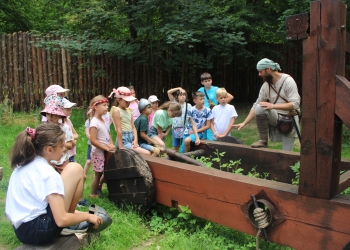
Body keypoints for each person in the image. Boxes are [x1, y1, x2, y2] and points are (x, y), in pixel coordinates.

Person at [5, 123, 103, 245]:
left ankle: (71, 217)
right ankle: (69, 224)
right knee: (75, 169)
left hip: (21, 231)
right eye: (62, 146)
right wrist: (87, 216)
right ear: (49, 150)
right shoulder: (48, 173)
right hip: (40, 230)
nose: (64, 149)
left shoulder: (23, 165)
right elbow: (61, 219)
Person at [233, 58, 301, 151]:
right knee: (259, 107)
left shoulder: (288, 81)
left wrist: (273, 106)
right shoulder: (266, 85)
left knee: (287, 153)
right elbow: (256, 105)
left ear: (268, 69)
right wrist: (244, 123)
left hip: (289, 119)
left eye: (260, 72)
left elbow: (295, 104)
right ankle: (263, 141)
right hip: (276, 117)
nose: (259, 74)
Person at [109, 87, 149, 155]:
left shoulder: (129, 111)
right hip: (123, 140)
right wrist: (121, 146)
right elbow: (119, 130)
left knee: (146, 153)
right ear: (119, 100)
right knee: (147, 153)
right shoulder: (116, 111)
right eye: (126, 101)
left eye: (129, 101)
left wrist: (135, 140)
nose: (128, 103)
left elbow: (133, 127)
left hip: (132, 138)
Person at [89, 95, 115, 198]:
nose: (107, 107)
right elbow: (93, 140)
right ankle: (93, 193)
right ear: (96, 107)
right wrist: (105, 147)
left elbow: (108, 134)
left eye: (107, 105)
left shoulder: (103, 120)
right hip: (98, 152)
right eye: (104, 105)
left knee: (107, 170)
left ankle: (100, 186)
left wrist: (111, 144)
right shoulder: (94, 122)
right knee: (98, 174)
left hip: (105, 150)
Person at [41, 94, 74, 171]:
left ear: (59, 115)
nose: (50, 117)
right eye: (48, 114)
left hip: (63, 161)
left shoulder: (65, 128)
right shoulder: (43, 129)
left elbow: (70, 145)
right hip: (48, 162)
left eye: (54, 114)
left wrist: (59, 144)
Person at [198, 72, 234, 140]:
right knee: (202, 132)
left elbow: (230, 97)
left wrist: (220, 106)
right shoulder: (200, 90)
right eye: (205, 81)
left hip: (213, 113)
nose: (208, 82)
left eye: (209, 80)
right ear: (202, 82)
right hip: (203, 113)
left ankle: (212, 144)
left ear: (211, 80)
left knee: (210, 129)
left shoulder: (216, 89)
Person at [167, 87, 192, 151]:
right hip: (175, 128)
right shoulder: (174, 103)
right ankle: (175, 158)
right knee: (176, 147)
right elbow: (169, 92)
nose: (183, 96)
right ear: (177, 97)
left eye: (184, 95)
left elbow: (191, 118)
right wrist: (179, 88)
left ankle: (185, 157)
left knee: (185, 145)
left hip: (185, 128)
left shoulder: (188, 105)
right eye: (181, 95)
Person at [63, 98, 78, 162]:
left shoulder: (68, 121)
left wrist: (71, 138)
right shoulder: (62, 124)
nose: (70, 110)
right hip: (65, 155)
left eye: (70, 108)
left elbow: (76, 135)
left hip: (72, 153)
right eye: (67, 109)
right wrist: (72, 139)